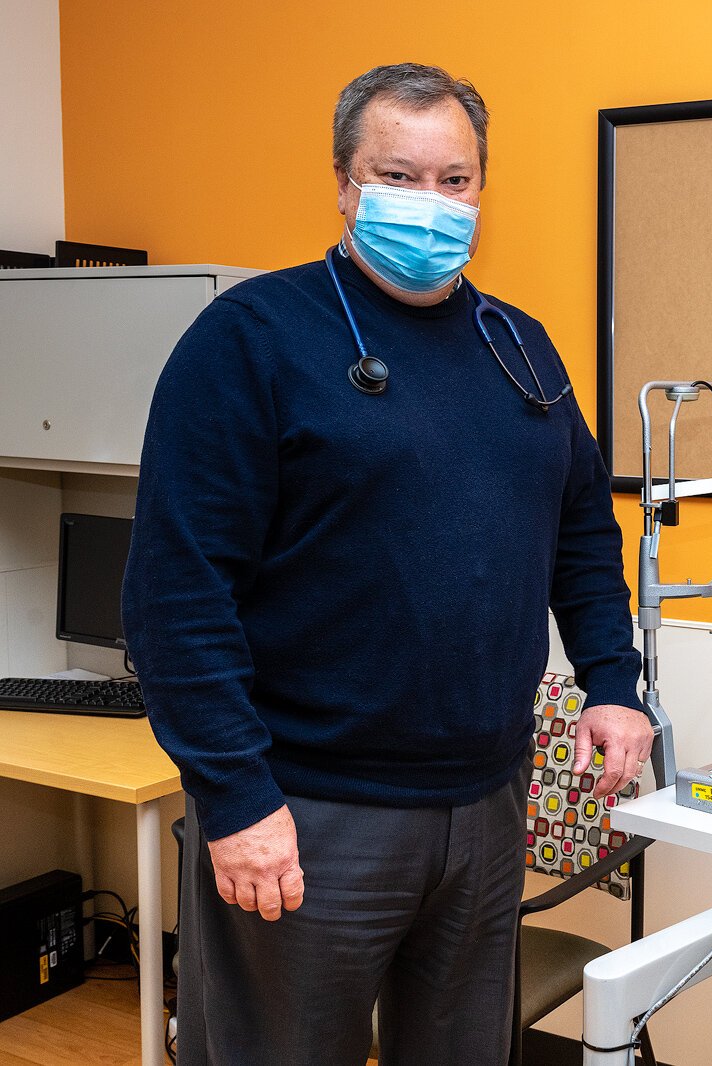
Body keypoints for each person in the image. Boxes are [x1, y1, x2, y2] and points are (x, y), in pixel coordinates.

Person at [122, 63, 653, 1065]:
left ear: (481, 188)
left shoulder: (522, 352)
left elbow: (581, 529)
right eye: (398, 175)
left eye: (454, 180)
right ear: (343, 181)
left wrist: (613, 682)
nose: (431, 202)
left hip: (487, 803)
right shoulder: (250, 341)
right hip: (308, 813)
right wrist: (235, 798)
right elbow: (175, 593)